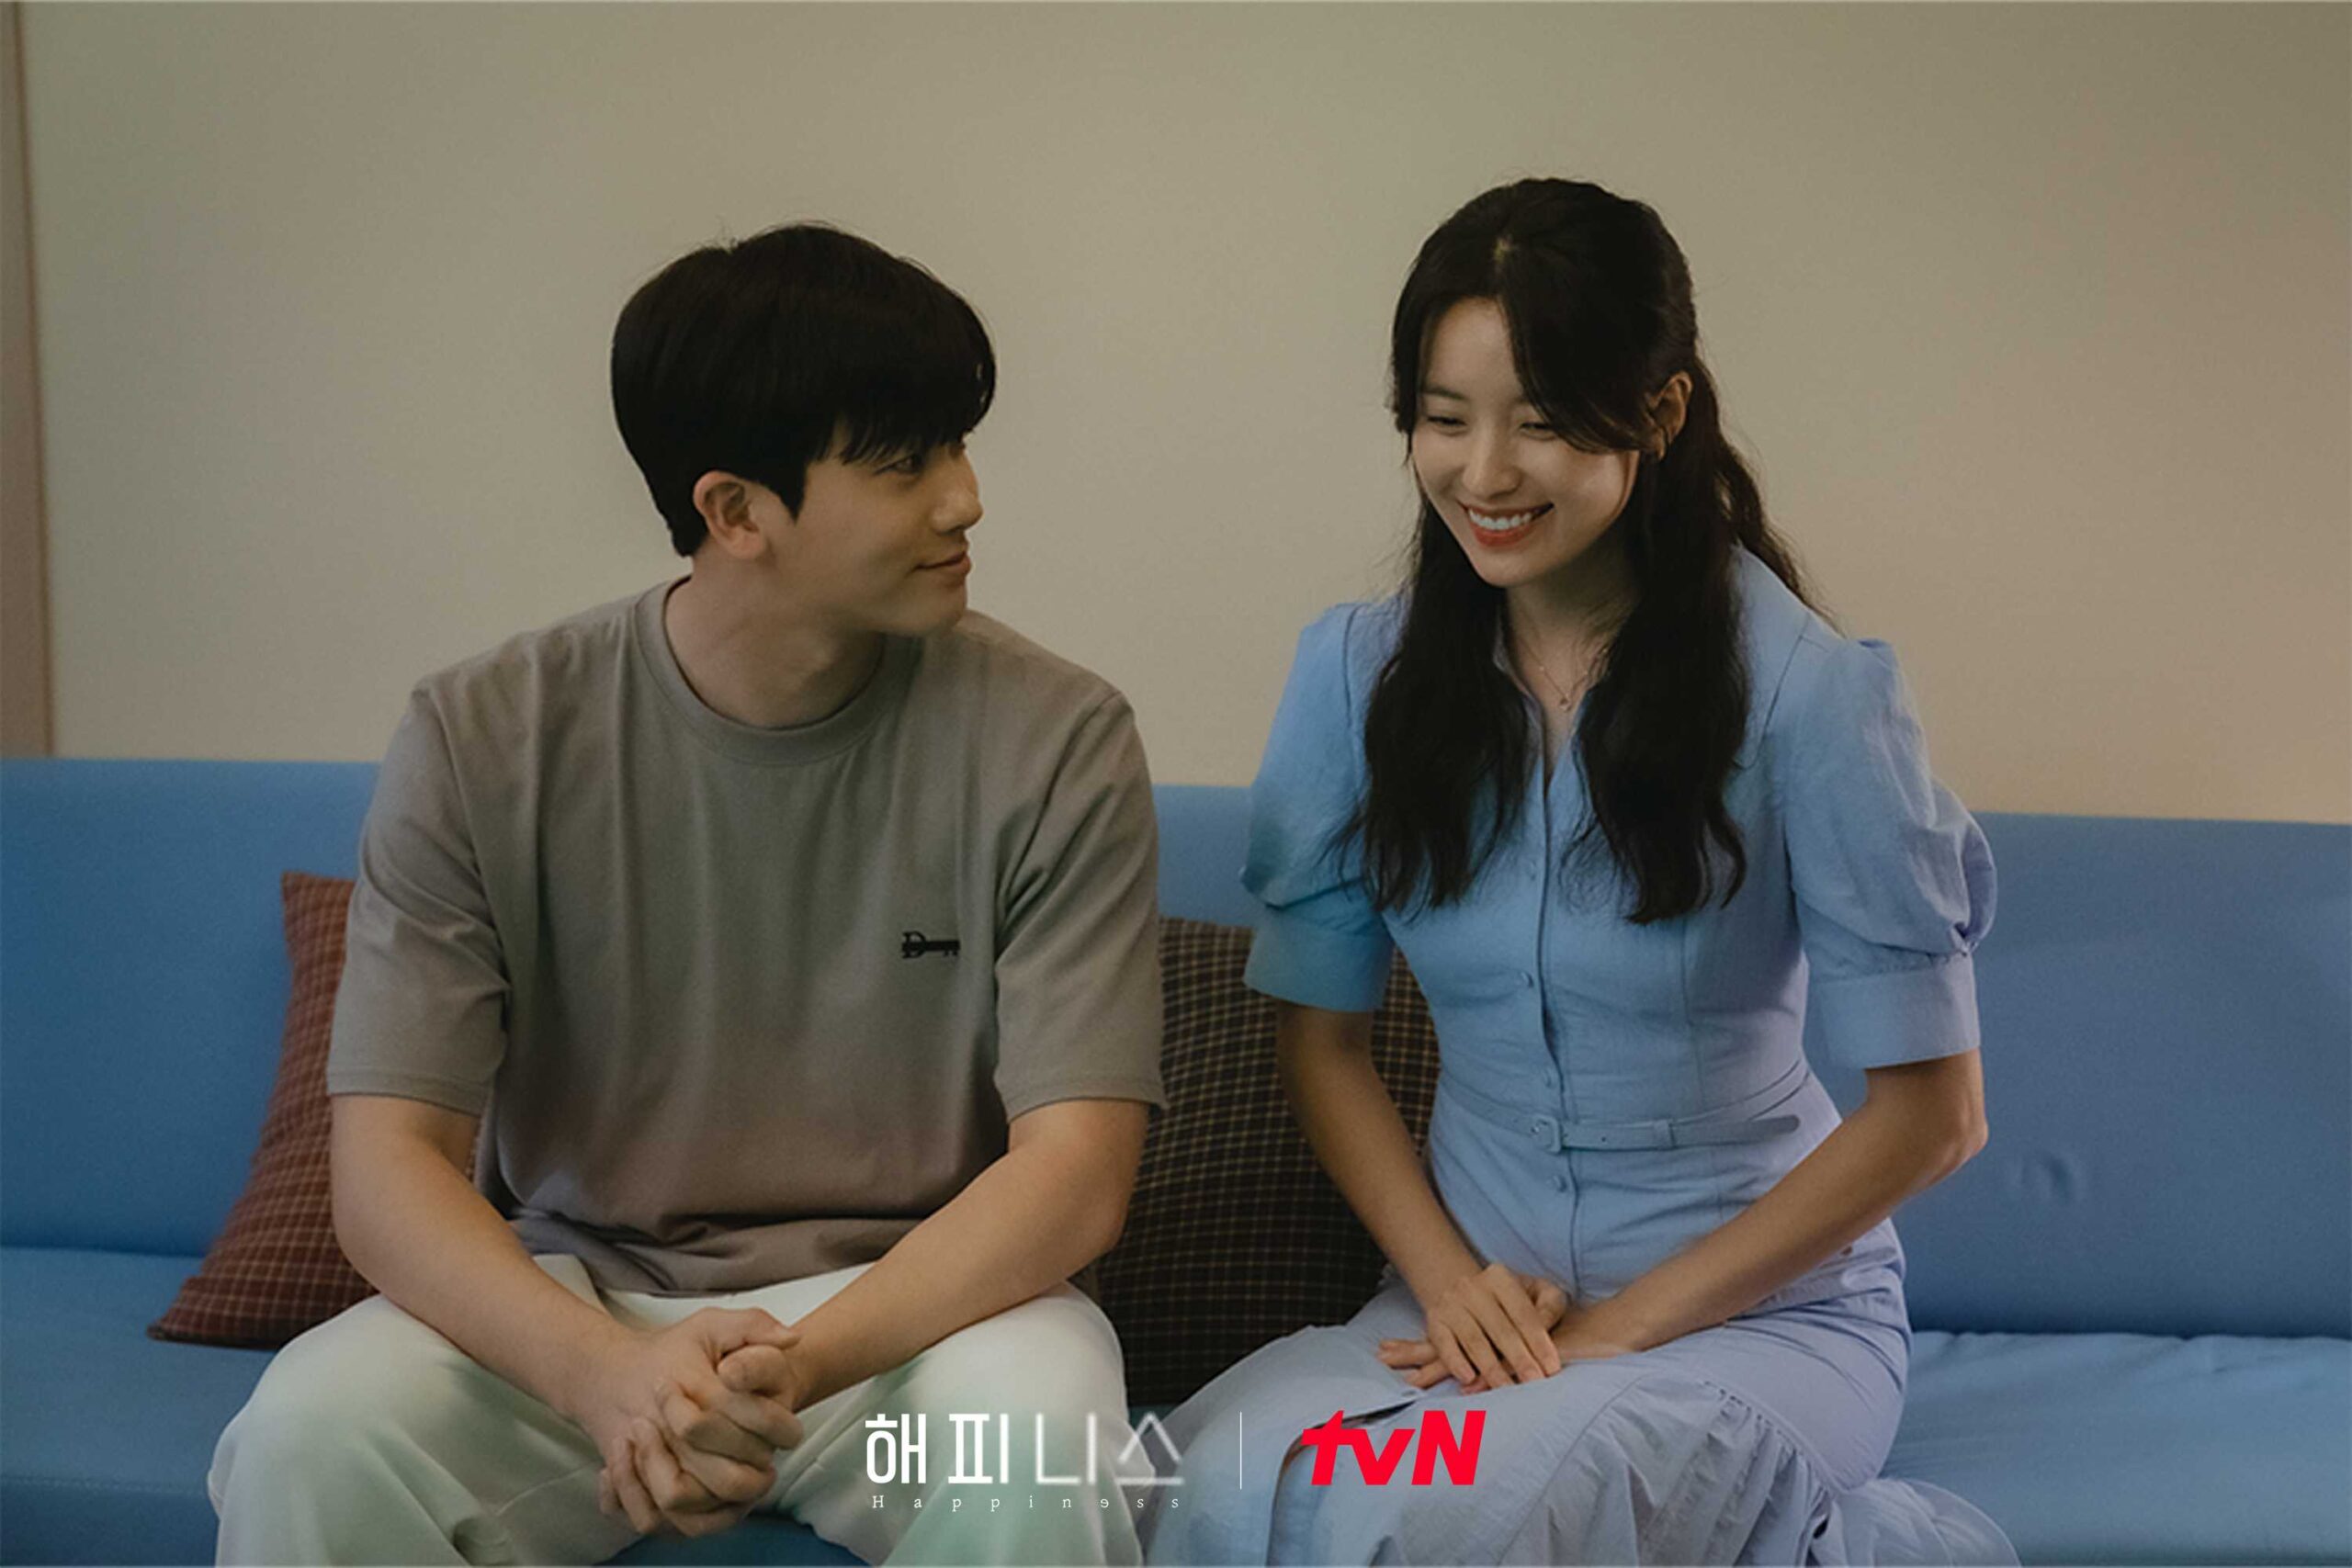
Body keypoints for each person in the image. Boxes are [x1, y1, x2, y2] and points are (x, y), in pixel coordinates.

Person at [208, 223, 1166, 1566]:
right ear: (735, 512)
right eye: (905, 463)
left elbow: (1075, 1175)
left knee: (1038, 1439)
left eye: (957, 444)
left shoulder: (1057, 739)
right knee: (309, 1433)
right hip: (576, 1311)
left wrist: (796, 1366)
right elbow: (387, 1170)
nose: (965, 499)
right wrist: (606, 1377)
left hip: (920, 1325)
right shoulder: (484, 738)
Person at [1139, 178, 2015, 1564]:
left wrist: (1614, 1335)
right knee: (1196, 1490)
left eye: (1540, 420)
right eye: (1445, 419)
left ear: (1658, 416)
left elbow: (1933, 1118)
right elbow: (1322, 1042)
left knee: (1462, 1520)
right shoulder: (1357, 678)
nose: (1484, 473)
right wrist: (1449, 1284)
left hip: (1754, 1325)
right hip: (1473, 1319)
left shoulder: (1810, 698)